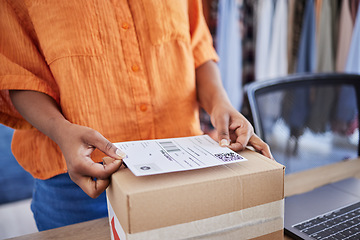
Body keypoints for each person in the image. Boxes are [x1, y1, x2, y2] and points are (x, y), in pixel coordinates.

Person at [0, 0, 272, 231]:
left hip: (182, 171)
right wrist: (60, 129)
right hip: (82, 184)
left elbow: (196, 46)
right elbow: (18, 73)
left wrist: (220, 104)